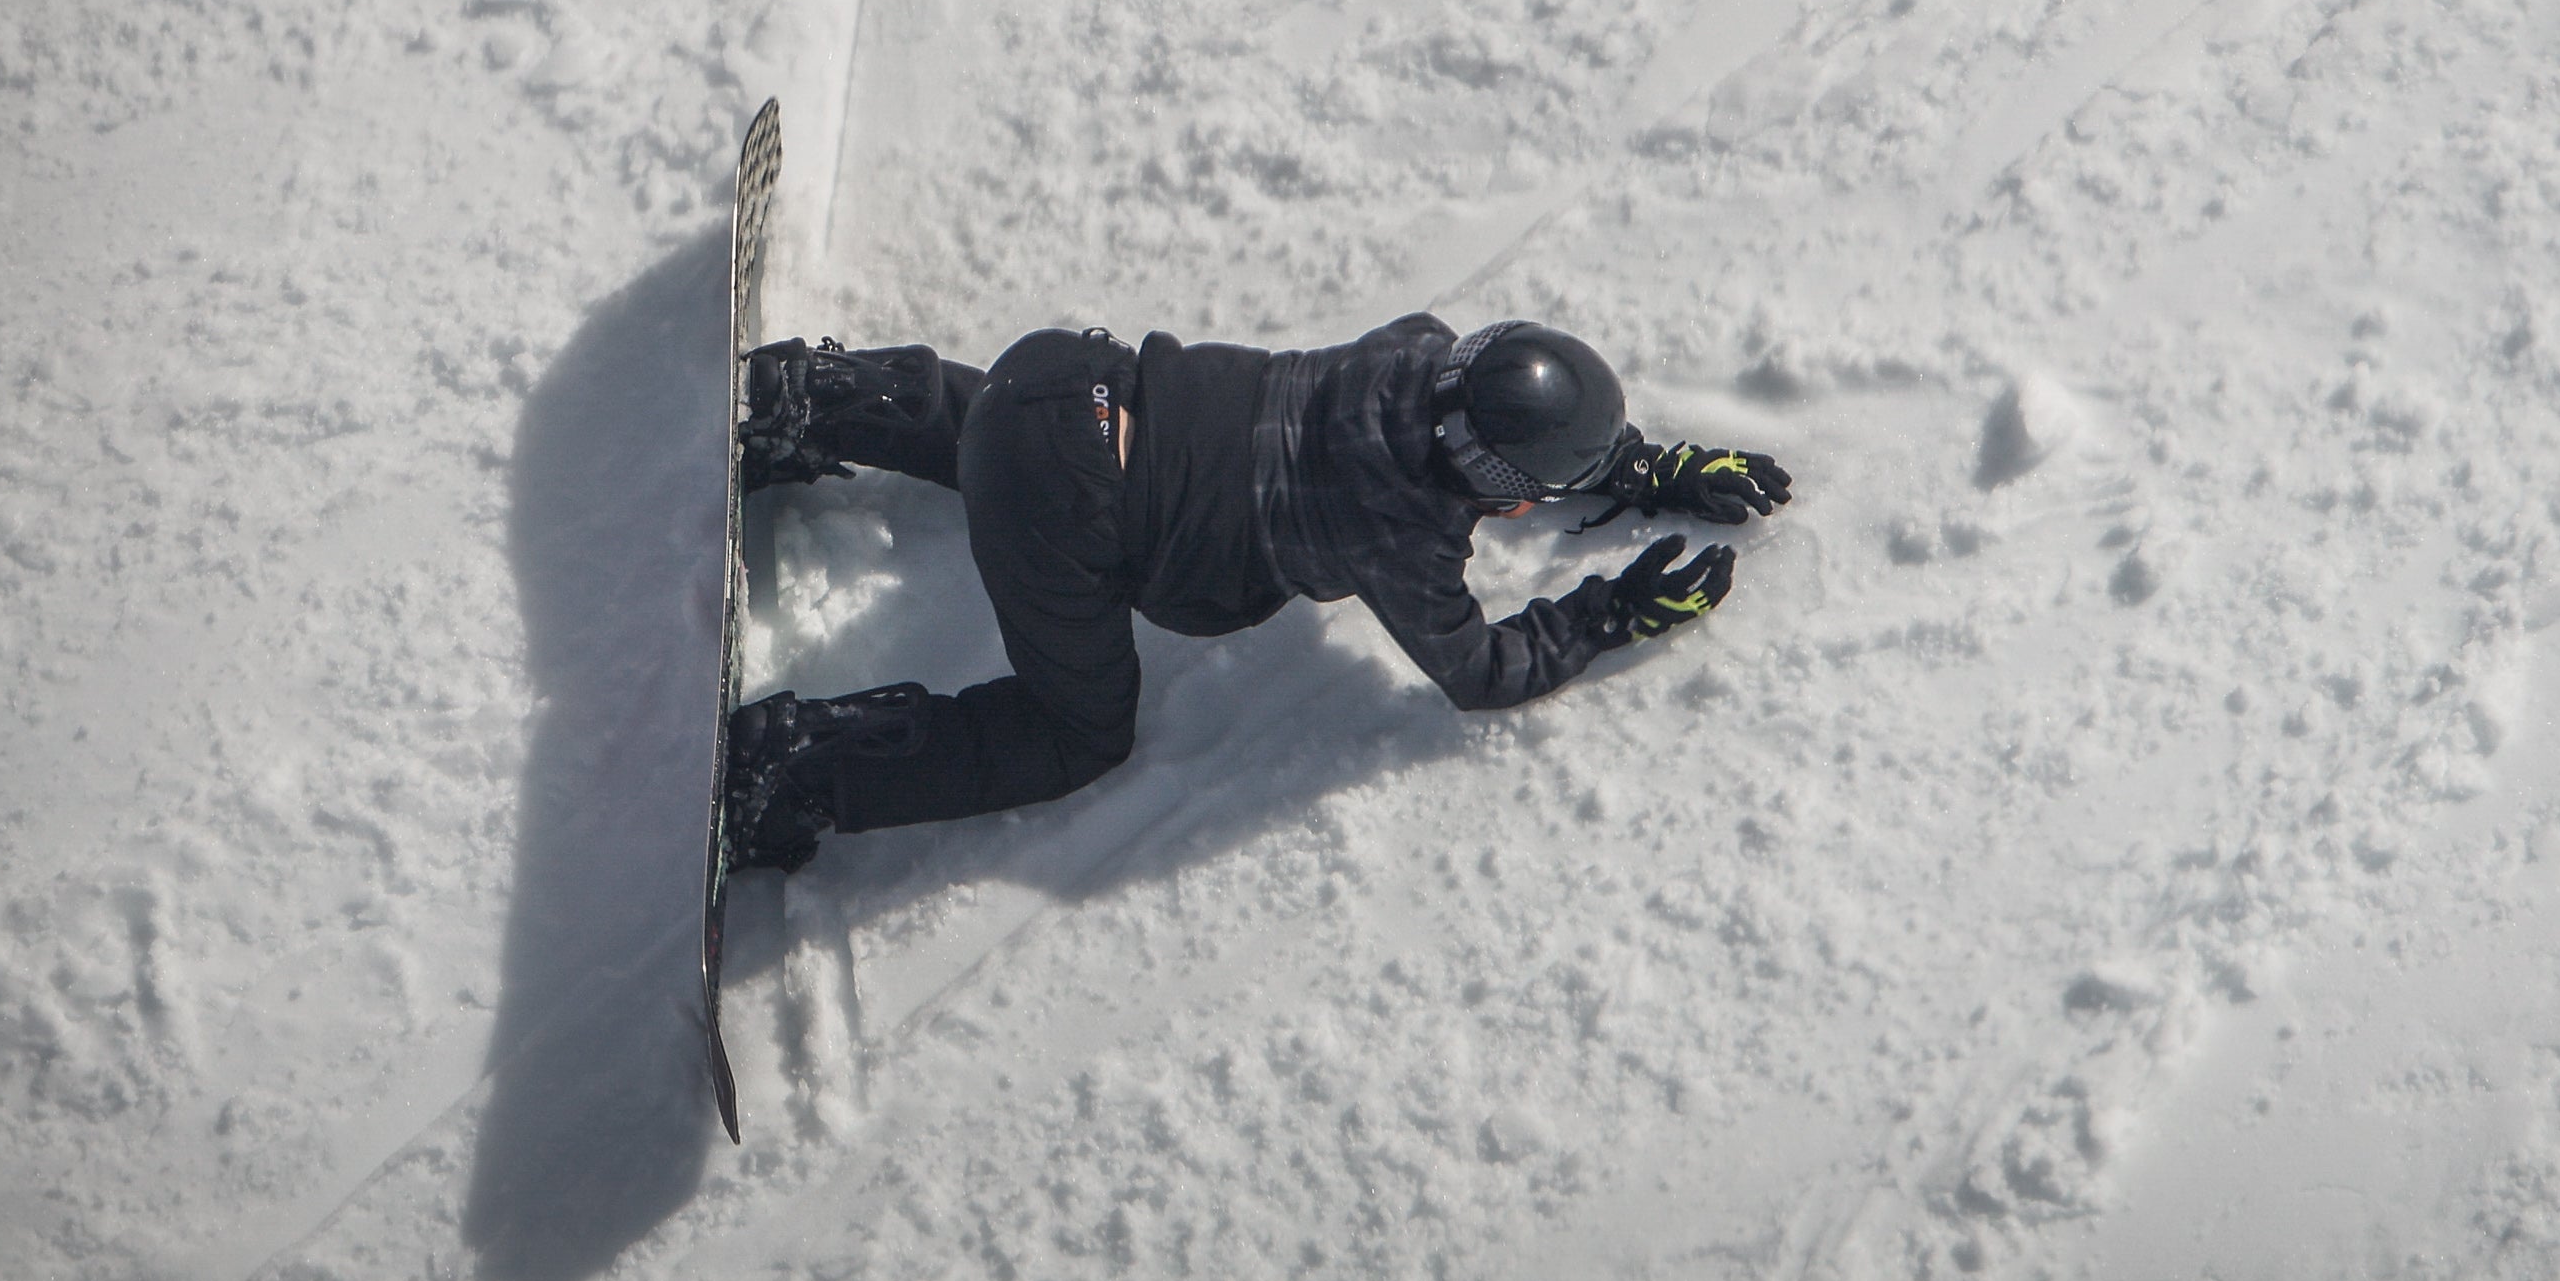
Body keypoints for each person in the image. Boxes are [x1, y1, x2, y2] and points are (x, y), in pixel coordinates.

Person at [719, 313, 1793, 870]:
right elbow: (1480, 670)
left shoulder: (1412, 349)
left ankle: (820, 398)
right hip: (1063, 517)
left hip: (1052, 378)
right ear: (1497, 492)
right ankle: (803, 767)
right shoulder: (1399, 537)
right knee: (1077, 735)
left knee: (1021, 432)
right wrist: (1603, 614)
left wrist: (1633, 463)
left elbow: (1496, 424)